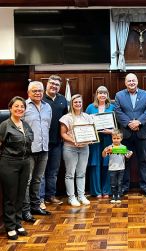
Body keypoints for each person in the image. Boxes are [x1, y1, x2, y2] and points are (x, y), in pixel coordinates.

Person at [114, 73, 146, 198]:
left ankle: (145, 187)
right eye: (129, 81)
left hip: (142, 133)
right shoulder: (119, 95)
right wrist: (129, 123)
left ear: (137, 82)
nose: (131, 82)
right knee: (125, 160)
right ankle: (124, 187)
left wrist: (139, 122)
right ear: (125, 83)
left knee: (144, 161)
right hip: (126, 134)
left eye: (133, 80)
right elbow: (118, 111)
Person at [0, 97, 34, 240]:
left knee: (21, 195)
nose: (19, 108)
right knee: (10, 196)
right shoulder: (4, 125)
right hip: (9, 163)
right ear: (10, 108)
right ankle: (10, 226)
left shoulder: (25, 125)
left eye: (22, 106)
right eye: (16, 106)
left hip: (25, 162)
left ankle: (18, 223)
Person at [22, 81, 52, 223]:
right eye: (34, 91)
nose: (38, 93)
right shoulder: (23, 106)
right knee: (27, 181)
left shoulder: (47, 107)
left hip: (44, 148)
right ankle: (25, 211)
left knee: (37, 180)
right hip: (28, 150)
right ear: (28, 93)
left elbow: (47, 126)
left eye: (40, 90)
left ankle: (35, 206)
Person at [60, 94, 93, 207]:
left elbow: (92, 132)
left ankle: (81, 195)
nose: (78, 104)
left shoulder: (87, 117)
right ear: (72, 104)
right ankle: (71, 197)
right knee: (70, 174)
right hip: (70, 148)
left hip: (84, 148)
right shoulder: (66, 117)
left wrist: (92, 139)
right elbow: (63, 134)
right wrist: (74, 141)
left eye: (79, 102)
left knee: (81, 173)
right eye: (75, 102)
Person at [40, 75, 68, 209]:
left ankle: (50, 196)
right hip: (42, 142)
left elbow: (67, 120)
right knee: (40, 172)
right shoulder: (40, 98)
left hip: (57, 142)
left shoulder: (63, 100)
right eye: (52, 83)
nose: (54, 86)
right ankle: (40, 198)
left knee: (53, 171)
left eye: (57, 84)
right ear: (47, 84)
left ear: (59, 87)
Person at [86, 86, 115, 198]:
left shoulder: (112, 107)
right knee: (95, 163)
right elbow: (86, 124)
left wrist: (111, 131)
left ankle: (106, 190)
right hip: (94, 140)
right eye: (100, 93)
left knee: (107, 163)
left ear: (107, 95)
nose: (102, 95)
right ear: (96, 95)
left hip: (108, 139)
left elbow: (117, 126)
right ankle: (96, 191)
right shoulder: (90, 107)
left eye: (105, 93)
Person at [102, 129, 133, 203]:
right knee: (113, 183)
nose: (116, 140)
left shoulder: (123, 147)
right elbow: (103, 156)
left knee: (119, 182)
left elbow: (127, 156)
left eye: (118, 138)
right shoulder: (109, 147)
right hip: (112, 168)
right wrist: (104, 151)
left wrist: (130, 154)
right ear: (112, 138)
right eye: (114, 138)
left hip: (121, 168)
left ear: (121, 139)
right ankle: (113, 195)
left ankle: (118, 195)